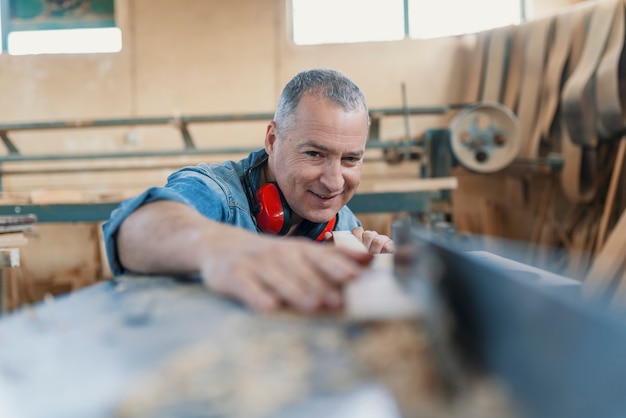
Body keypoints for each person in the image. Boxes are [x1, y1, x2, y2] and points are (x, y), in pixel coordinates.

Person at [102, 67, 394, 314]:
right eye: (315, 154)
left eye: (351, 159)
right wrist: (222, 248)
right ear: (272, 139)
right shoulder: (217, 194)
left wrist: (375, 275)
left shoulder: (345, 224)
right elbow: (135, 228)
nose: (334, 182)